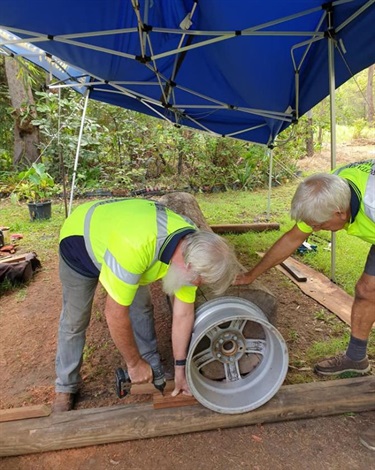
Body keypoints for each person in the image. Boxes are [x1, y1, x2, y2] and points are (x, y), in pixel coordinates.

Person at [53, 198, 241, 412]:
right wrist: (133, 364)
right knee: (75, 320)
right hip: (81, 244)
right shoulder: (136, 247)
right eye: (201, 281)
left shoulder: (191, 246)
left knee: (141, 307)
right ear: (188, 266)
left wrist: (181, 370)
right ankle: (65, 385)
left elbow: (183, 315)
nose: (199, 285)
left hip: (122, 241)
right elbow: (115, 315)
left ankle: (150, 364)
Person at [235, 159, 375, 377]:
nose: (316, 230)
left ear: (340, 213)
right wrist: (251, 275)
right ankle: (356, 358)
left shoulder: (370, 203)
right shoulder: (326, 193)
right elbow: (292, 239)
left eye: (319, 225)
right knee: (367, 290)